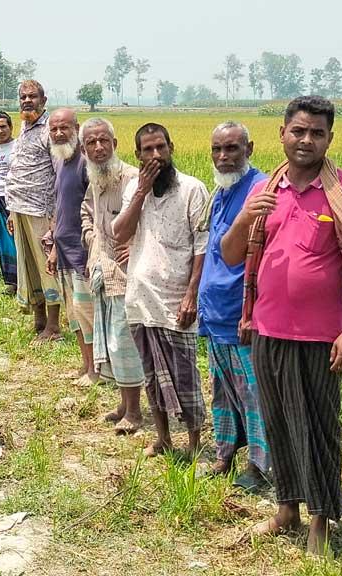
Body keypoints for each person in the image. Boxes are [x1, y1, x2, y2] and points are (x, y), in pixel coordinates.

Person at [220, 96, 342, 555]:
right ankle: (286, 510)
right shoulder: (266, 190)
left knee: (317, 427)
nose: (306, 140)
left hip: (320, 337)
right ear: (282, 134)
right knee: (278, 423)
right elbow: (232, 254)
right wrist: (244, 218)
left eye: (316, 133)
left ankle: (320, 520)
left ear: (329, 139)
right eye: (298, 131)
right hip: (266, 329)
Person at [112, 123, 209, 458]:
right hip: (140, 296)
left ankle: (195, 443)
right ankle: (163, 438)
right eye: (148, 150)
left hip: (176, 298)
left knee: (185, 376)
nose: (156, 156)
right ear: (137, 155)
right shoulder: (133, 190)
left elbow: (202, 246)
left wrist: (191, 295)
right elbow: (120, 234)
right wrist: (141, 190)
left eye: (161, 148)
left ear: (171, 147)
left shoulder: (192, 189)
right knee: (152, 374)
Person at [198, 121, 271, 491]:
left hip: (243, 317)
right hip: (216, 314)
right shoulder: (222, 190)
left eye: (232, 149)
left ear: (250, 149)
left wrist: (253, 312)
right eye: (217, 150)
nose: (224, 157)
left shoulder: (260, 189)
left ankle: (260, 468)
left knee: (255, 395)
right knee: (223, 390)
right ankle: (224, 453)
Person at [79, 117, 145, 433]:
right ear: (84, 149)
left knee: (124, 341)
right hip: (103, 269)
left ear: (115, 144)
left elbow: (147, 223)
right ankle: (123, 403)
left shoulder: (132, 179)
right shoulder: (96, 181)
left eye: (104, 140)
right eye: (91, 142)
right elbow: (87, 214)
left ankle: (135, 412)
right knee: (111, 338)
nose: (99, 147)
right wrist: (92, 240)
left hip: (128, 275)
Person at [5, 80, 62, 342]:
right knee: (28, 267)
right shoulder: (25, 128)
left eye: (32, 97)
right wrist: (11, 210)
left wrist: (55, 217)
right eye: (23, 97)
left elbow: (60, 174)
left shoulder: (51, 130)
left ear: (44, 100)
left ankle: (53, 327)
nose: (27, 101)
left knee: (47, 268)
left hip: (42, 211)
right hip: (19, 209)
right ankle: (38, 319)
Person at [48, 108, 97, 386]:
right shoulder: (61, 161)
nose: (58, 133)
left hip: (82, 252)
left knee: (87, 313)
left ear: (76, 128)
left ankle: (95, 371)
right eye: (54, 129)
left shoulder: (85, 164)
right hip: (64, 250)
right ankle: (85, 364)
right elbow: (60, 208)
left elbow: (95, 211)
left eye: (64, 128)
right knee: (74, 315)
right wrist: (54, 248)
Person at [0, 111, 18, 294]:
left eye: (3, 127)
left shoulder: (17, 147)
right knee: (4, 241)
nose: (0, 131)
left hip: (13, 199)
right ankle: (11, 281)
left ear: (10, 127)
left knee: (16, 240)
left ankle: (22, 281)